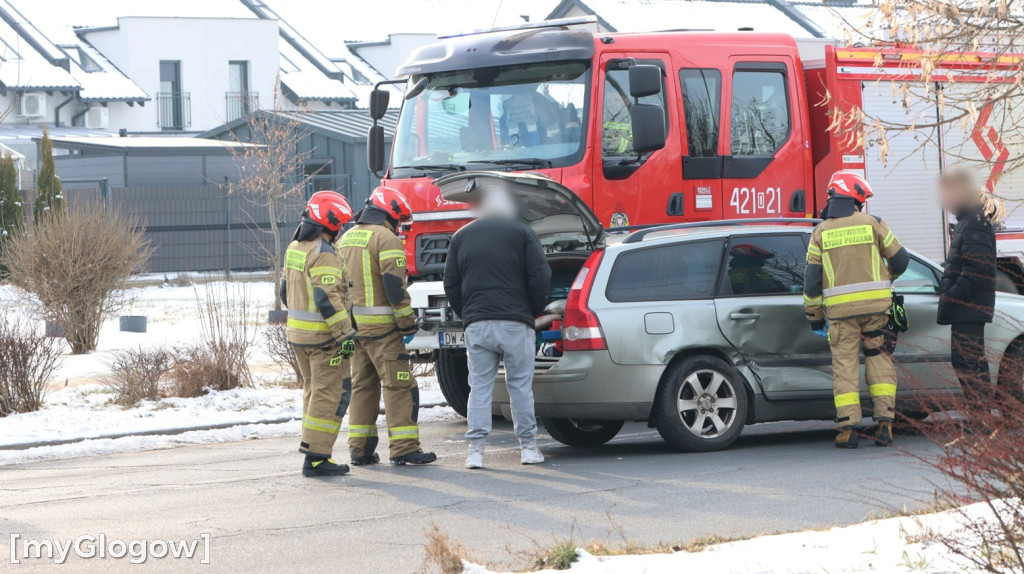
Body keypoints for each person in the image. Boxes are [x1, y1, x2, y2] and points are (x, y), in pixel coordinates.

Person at [443, 186, 552, 469]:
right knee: (519, 387)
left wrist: (467, 313)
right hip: (516, 323)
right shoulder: (524, 234)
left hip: (478, 324)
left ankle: (475, 453)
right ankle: (528, 449)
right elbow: (539, 276)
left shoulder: (461, 236)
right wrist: (533, 311)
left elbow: (451, 285)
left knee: (479, 387)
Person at [803, 171, 910, 448]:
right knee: (878, 358)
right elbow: (901, 260)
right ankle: (885, 423)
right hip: (877, 311)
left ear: (834, 196)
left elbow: (812, 281)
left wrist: (815, 319)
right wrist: (888, 279)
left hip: (840, 315)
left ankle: (848, 430)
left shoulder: (820, 232)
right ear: (855, 199)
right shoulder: (873, 223)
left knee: (845, 366)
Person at [339, 187, 436, 466]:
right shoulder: (386, 239)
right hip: (384, 331)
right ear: (390, 214)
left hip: (354, 329)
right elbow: (394, 287)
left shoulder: (346, 238)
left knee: (363, 388)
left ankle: (360, 450)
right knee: (399, 387)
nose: (399, 226)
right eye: (399, 220)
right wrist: (407, 325)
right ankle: (404, 448)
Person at [281, 191, 358, 477]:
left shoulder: (294, 248)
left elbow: (283, 292)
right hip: (325, 341)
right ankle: (316, 458)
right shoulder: (323, 254)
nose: (340, 230)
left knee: (313, 393)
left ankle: (311, 449)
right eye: (339, 225)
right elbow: (327, 299)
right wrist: (346, 336)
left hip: (298, 337)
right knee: (331, 395)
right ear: (330, 224)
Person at [937, 168, 998, 407]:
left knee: (969, 363)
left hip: (968, 308)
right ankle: (980, 416)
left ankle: (981, 418)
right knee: (966, 362)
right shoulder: (968, 221)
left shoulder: (974, 223)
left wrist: (951, 297)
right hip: (966, 308)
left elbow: (975, 272)